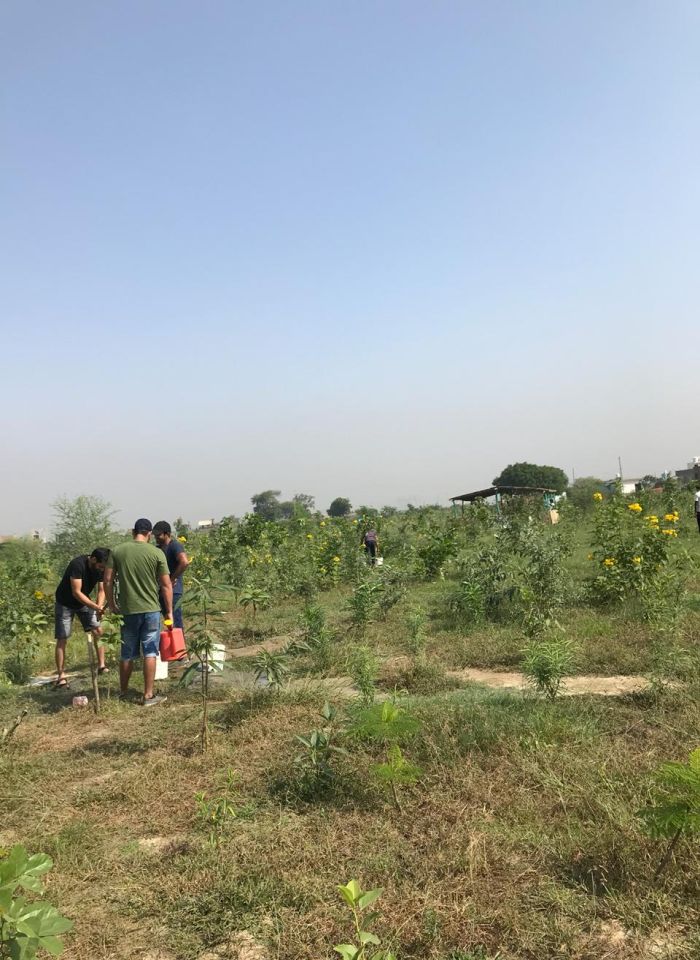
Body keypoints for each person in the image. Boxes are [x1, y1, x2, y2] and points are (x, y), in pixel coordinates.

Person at [103, 518, 173, 706]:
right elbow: (166, 585)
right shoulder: (156, 552)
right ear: (149, 533)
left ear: (133, 531)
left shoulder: (118, 551)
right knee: (150, 651)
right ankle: (148, 695)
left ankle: (124, 692)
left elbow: (107, 580)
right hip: (151, 609)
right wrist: (169, 613)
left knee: (127, 652)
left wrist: (111, 604)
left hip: (128, 610)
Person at [53, 548, 111, 689]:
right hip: (65, 603)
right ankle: (61, 675)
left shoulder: (101, 568)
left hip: (84, 602)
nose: (102, 569)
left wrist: (100, 605)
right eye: (100, 566)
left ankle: (102, 666)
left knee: (98, 630)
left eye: (104, 567)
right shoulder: (77, 565)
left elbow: (102, 590)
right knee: (63, 637)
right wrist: (94, 606)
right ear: (93, 559)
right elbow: (76, 592)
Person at [153, 520, 190, 660]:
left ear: (167, 534)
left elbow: (184, 562)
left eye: (159, 535)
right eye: (155, 535)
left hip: (173, 592)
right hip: (161, 591)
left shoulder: (175, 546)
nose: (156, 537)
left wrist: (172, 578)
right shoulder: (159, 548)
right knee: (167, 622)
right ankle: (170, 652)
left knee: (175, 622)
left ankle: (180, 654)